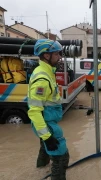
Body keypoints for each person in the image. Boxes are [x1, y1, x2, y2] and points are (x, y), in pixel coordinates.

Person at [27, 39, 69, 180]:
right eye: (56, 54)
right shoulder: (42, 80)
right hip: (46, 123)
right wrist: (47, 136)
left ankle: (40, 167)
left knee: (45, 148)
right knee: (61, 157)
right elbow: (34, 111)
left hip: (46, 121)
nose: (59, 57)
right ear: (46, 56)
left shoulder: (44, 71)